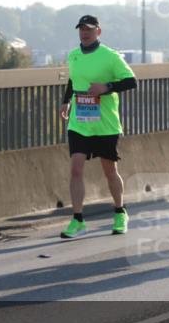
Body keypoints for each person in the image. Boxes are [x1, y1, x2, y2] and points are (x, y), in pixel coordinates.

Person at [58, 16, 137, 238]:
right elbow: (73, 82)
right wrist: (66, 101)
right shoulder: (73, 55)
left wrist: (106, 87)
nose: (85, 33)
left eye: (89, 29)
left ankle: (120, 211)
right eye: (81, 29)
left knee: (110, 170)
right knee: (76, 168)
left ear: (98, 32)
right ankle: (77, 219)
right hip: (80, 122)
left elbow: (132, 81)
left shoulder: (110, 57)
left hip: (105, 124)